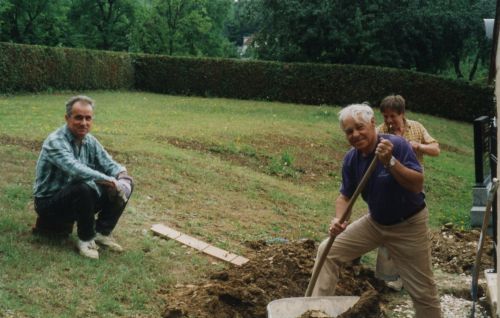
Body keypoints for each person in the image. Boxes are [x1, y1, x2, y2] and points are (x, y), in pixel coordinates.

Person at [311, 104, 441, 317]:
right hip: (376, 223)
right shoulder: (351, 159)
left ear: (373, 124)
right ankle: (314, 311)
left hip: (409, 225)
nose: (355, 134)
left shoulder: (396, 145)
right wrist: (339, 220)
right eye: (349, 131)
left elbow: (416, 185)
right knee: (328, 251)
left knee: (423, 291)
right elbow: (345, 196)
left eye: (359, 127)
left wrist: (390, 162)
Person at [33, 95, 133, 259]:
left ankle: (101, 232)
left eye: (88, 118)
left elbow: (109, 163)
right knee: (83, 186)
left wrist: (122, 178)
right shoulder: (55, 141)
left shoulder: (90, 141)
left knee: (127, 183)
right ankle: (86, 239)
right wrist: (111, 181)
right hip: (49, 204)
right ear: (67, 118)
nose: (84, 123)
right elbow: (76, 170)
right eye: (78, 117)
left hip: (77, 198)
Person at [375, 94, 440, 290]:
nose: (388, 121)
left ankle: (410, 277)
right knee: (389, 232)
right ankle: (388, 278)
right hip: (389, 189)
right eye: (385, 116)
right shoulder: (380, 132)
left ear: (402, 114)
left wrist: (418, 146)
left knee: (412, 236)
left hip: (413, 189)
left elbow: (436, 149)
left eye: (392, 116)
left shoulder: (417, 128)